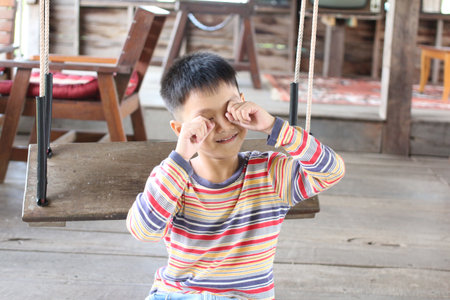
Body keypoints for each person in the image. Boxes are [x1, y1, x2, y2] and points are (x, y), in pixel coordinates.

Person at [127, 52, 345, 300]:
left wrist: (274, 127)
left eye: (229, 110)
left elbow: (332, 171)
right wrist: (181, 156)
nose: (224, 126)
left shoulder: (270, 174)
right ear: (180, 130)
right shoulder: (172, 179)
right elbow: (143, 231)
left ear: (244, 102)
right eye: (206, 119)